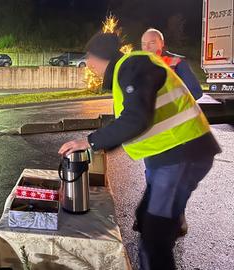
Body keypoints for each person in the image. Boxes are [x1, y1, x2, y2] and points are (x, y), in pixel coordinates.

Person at [58, 32, 221, 270]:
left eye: (90, 57)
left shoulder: (133, 65)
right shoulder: (128, 70)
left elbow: (136, 118)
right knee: (146, 220)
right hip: (172, 156)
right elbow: (128, 120)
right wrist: (100, 145)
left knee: (154, 240)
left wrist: (91, 142)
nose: (89, 65)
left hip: (181, 153)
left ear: (102, 56)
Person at [141, 28, 203, 100]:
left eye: (152, 43)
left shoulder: (177, 62)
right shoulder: (138, 64)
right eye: (144, 44)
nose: (147, 47)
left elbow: (195, 92)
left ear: (162, 43)